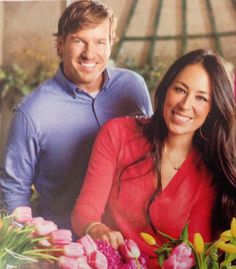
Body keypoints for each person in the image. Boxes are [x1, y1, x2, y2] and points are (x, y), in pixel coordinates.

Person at [71, 49, 236, 268]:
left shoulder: (210, 169)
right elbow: (85, 209)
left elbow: (195, 255)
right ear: (166, 89)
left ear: (212, 109)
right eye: (180, 89)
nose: (185, 105)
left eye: (201, 98)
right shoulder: (117, 133)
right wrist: (95, 228)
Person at [0, 0, 153, 230]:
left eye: (100, 42)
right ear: (60, 45)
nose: (89, 54)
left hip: (131, 242)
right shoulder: (32, 112)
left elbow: (154, 153)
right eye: (78, 41)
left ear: (112, 43)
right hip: (66, 249)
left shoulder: (133, 88)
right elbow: (13, 192)